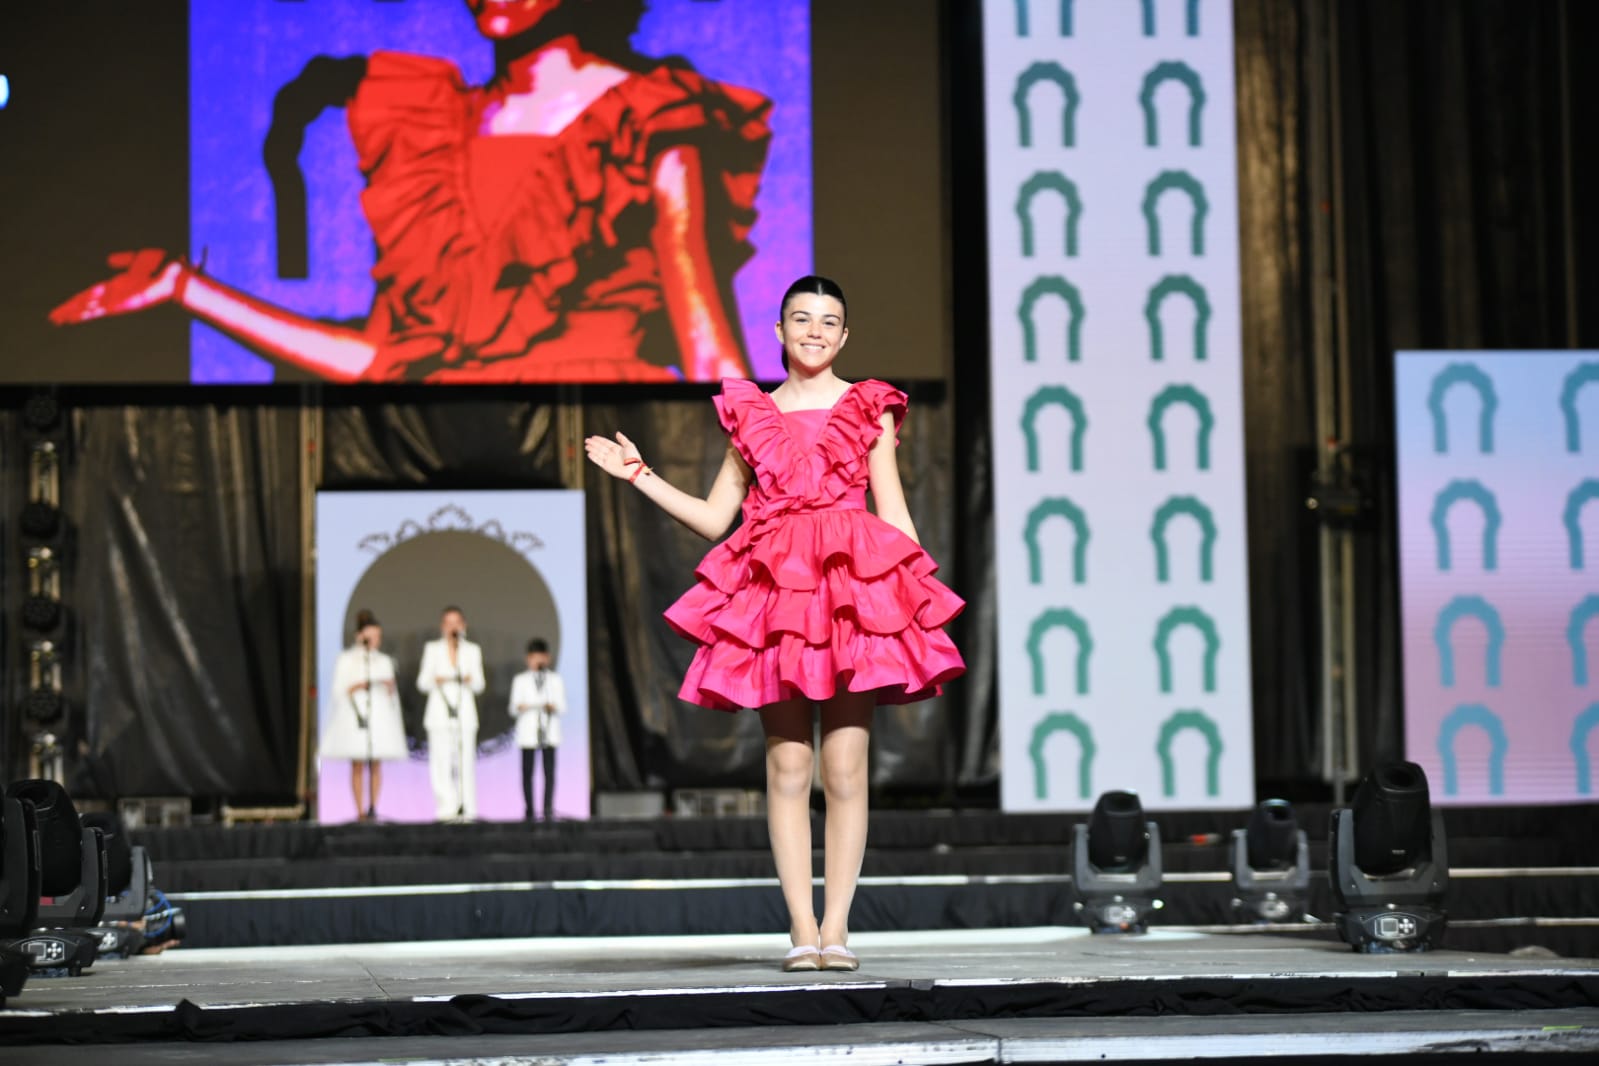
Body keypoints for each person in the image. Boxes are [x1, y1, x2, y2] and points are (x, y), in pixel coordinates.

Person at [48, 0, 770, 382]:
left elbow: (710, 354)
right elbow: (378, 360)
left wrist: (779, 487)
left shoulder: (645, 115)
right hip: (442, 455)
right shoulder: (427, 131)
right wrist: (186, 289)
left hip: (603, 445)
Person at [584, 275, 965, 973]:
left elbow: (895, 513)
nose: (815, 330)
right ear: (779, 331)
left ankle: (838, 928)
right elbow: (712, 517)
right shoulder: (750, 415)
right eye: (801, 318)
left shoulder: (867, 409)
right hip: (779, 596)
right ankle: (800, 930)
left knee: (846, 767)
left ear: (844, 335)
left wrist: (912, 604)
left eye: (828, 321)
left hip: (852, 592)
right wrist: (638, 475)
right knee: (788, 764)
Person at [318, 610, 407, 822]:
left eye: (378, 637)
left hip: (379, 715)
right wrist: (360, 684)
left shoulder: (385, 661)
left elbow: (392, 694)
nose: (375, 641)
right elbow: (338, 690)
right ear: (360, 636)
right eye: (371, 637)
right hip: (355, 715)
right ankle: (358, 811)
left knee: (376, 763)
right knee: (357, 763)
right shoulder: (347, 660)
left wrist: (388, 687)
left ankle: (373, 807)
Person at [416, 606, 486, 821]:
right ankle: (446, 808)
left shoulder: (472, 650)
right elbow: (422, 683)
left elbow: (480, 684)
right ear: (442, 626)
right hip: (439, 714)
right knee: (441, 762)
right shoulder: (433, 649)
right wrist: (439, 679)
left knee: (465, 762)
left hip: (464, 713)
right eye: (448, 623)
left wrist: (468, 679)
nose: (453, 627)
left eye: (457, 622)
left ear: (464, 626)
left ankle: (467, 807)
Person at [510, 637, 567, 822]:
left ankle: (548, 808)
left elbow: (562, 706)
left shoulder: (554, 680)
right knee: (528, 773)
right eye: (534, 657)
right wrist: (531, 706)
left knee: (549, 772)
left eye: (541, 656)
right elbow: (513, 707)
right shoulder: (520, 680)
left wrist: (551, 706)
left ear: (547, 658)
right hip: (528, 733)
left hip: (548, 731)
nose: (538, 661)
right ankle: (529, 809)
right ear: (528, 658)